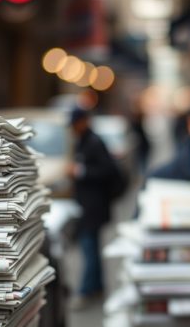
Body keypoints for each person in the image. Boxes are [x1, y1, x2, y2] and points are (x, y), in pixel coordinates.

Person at [66, 107, 116, 309]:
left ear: (84, 121)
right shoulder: (83, 141)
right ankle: (97, 287)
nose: (73, 128)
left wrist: (81, 171)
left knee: (89, 249)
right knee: (92, 248)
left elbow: (108, 170)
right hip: (88, 205)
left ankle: (87, 290)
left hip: (93, 206)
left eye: (76, 123)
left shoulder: (93, 142)